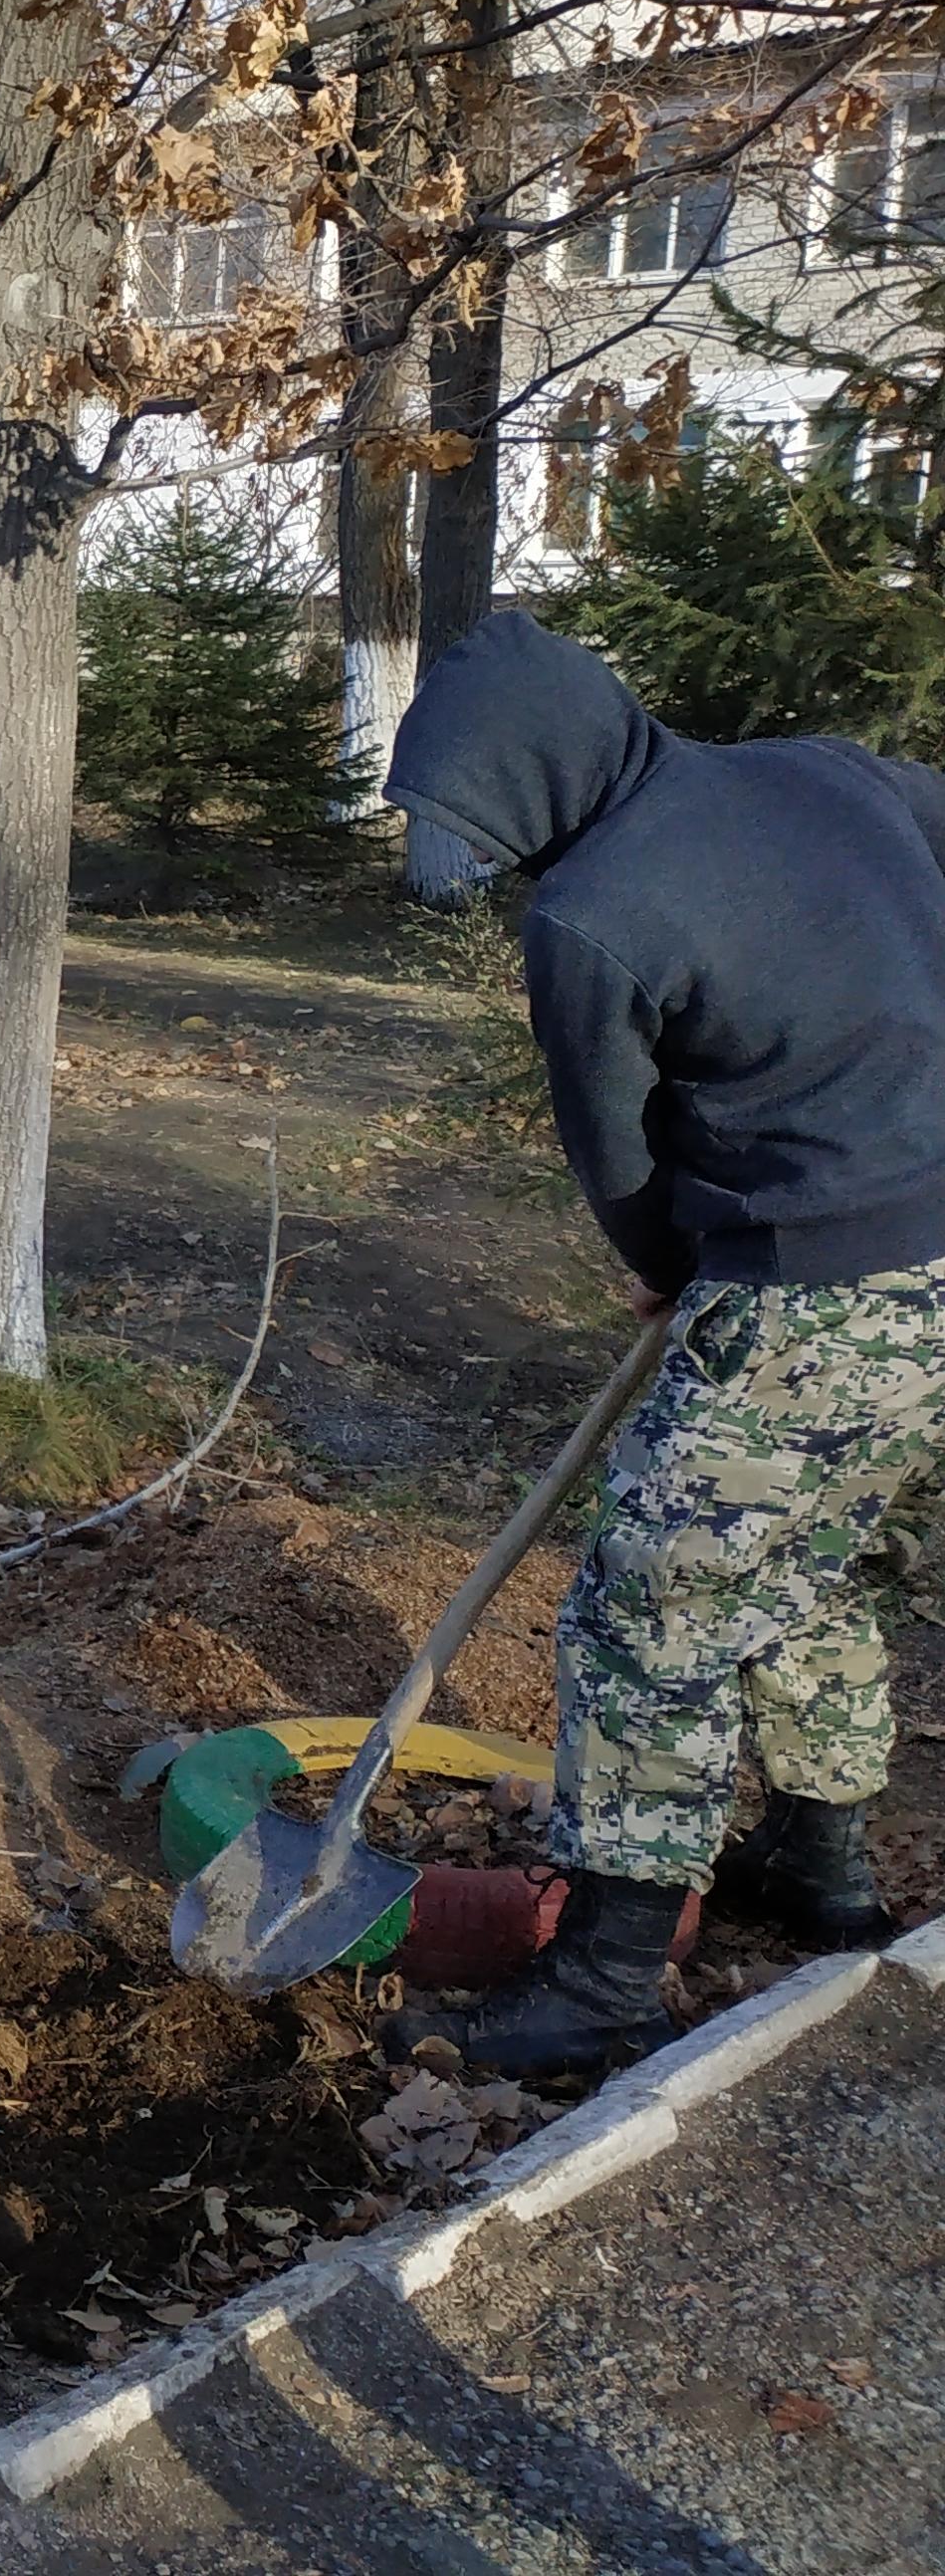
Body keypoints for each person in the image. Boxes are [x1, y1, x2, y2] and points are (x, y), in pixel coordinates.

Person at [383, 614, 945, 2077]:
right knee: (807, 1557)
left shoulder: (591, 914)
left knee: (650, 1620)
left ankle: (604, 1983)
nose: (495, 865)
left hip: (824, 1294)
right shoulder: (829, 774)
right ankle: (822, 1872)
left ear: (540, 779)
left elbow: (615, 1156)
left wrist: (666, 1268)